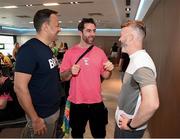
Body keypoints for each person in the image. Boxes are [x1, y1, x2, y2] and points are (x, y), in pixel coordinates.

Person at [60, 18, 114, 138]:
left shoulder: (99, 52)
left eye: (94, 31)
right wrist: (70, 71)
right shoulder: (70, 53)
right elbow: (63, 77)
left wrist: (110, 69)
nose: (92, 34)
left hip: (97, 102)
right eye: (89, 31)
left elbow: (106, 75)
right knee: (77, 134)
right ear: (80, 33)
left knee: (99, 134)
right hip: (77, 102)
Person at [14, 9, 61, 138]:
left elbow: (47, 77)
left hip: (52, 111)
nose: (59, 29)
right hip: (41, 116)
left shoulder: (46, 49)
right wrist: (35, 119)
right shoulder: (29, 50)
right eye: (57, 25)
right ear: (46, 27)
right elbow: (19, 87)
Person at [114, 20, 159, 138]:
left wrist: (131, 125)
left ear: (130, 38)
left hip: (129, 130)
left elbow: (152, 104)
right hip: (123, 124)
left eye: (121, 35)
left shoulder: (141, 63)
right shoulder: (135, 59)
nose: (119, 39)